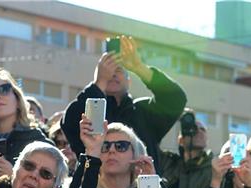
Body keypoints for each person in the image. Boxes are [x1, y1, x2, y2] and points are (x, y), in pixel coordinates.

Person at [61, 35, 187, 173]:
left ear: (129, 81)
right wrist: (99, 84)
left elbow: (176, 99)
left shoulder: (143, 112)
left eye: (119, 70)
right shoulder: (92, 110)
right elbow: (70, 122)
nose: (113, 74)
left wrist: (139, 67)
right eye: (108, 70)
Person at [0, 69, 49, 178]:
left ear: (18, 100)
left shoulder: (37, 140)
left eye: (4, 89)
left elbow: (52, 187)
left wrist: (14, 176)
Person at [159, 109, 214, 188]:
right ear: (180, 140)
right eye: (193, 128)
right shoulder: (168, 163)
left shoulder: (213, 168)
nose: (198, 131)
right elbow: (151, 139)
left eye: (203, 129)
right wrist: (174, 115)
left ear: (207, 139)